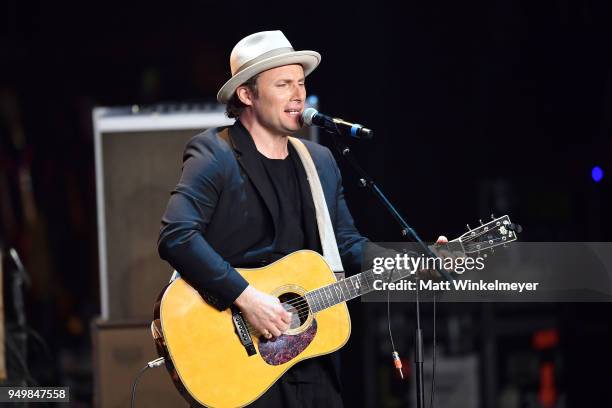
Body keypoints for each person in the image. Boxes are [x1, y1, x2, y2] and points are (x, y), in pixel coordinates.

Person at [158, 30, 447, 407]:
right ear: (246, 94)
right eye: (283, 84)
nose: (299, 94)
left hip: (310, 360)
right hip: (240, 359)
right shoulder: (215, 154)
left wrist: (409, 263)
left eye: (301, 82)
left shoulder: (320, 161)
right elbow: (176, 236)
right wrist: (247, 298)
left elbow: (347, 246)